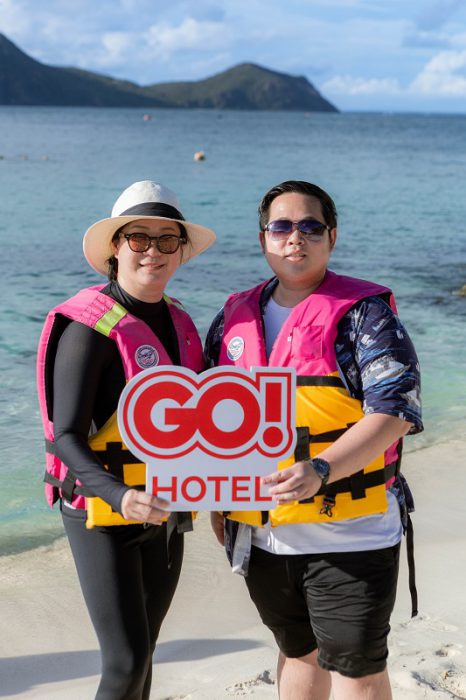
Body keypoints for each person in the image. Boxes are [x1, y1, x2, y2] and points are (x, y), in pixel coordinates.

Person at [206, 180, 422, 700]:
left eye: (310, 227)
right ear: (263, 238)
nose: (295, 238)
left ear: (332, 236)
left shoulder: (365, 314)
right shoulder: (233, 318)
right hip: (264, 537)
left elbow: (395, 410)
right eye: (281, 227)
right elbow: (212, 418)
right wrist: (216, 500)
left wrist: (321, 468)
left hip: (352, 534)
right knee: (296, 651)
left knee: (356, 669)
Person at [37, 180, 216, 700]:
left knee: (146, 652)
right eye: (139, 238)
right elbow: (66, 436)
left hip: (163, 508)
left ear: (180, 251)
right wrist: (120, 496)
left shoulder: (180, 323)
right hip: (100, 510)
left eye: (166, 240)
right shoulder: (88, 329)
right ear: (116, 248)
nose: (152, 251)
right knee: (125, 661)